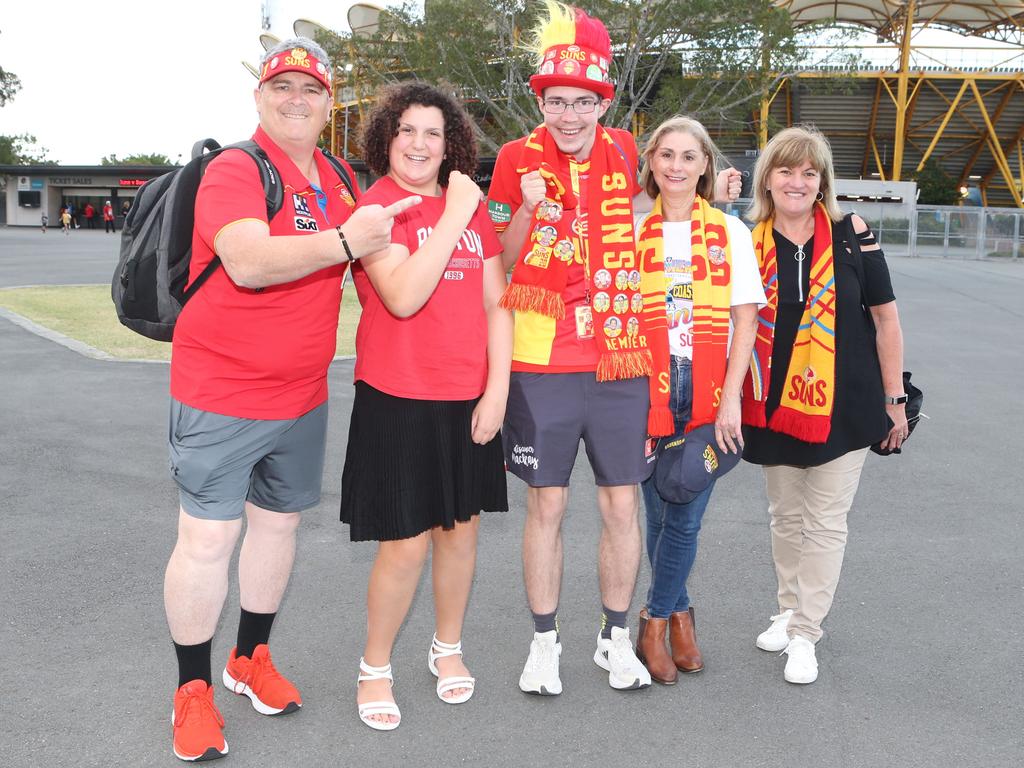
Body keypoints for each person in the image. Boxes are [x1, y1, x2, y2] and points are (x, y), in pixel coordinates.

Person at [162, 37, 418, 762]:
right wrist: (344, 239)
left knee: (277, 531)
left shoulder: (337, 175)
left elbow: (386, 269)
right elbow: (246, 261)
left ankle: (248, 660)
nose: (296, 99)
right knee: (208, 541)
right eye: (283, 87)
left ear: (330, 102)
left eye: (311, 89)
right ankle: (192, 689)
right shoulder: (236, 169)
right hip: (220, 390)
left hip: (301, 396)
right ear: (260, 98)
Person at [489, 1, 740, 696]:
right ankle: (544, 644)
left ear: (602, 103)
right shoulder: (515, 159)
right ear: (541, 100)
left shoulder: (627, 149)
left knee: (622, 506)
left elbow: (665, 202)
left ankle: (613, 636)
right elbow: (502, 261)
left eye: (583, 103)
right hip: (541, 360)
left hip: (620, 356)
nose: (568, 116)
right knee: (546, 508)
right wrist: (535, 210)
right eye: (557, 102)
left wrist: (720, 198)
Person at [341, 82, 512, 731]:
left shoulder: (468, 208)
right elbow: (405, 295)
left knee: (461, 536)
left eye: (432, 133)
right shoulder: (377, 208)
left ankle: (448, 649)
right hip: (399, 398)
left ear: (451, 145)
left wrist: (498, 390)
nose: (418, 143)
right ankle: (375, 667)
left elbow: (497, 303)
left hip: (468, 398)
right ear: (388, 136)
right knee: (406, 545)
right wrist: (452, 213)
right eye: (407, 130)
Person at [741, 125, 907, 685]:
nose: (797, 181)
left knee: (826, 522)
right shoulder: (745, 238)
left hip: (845, 404)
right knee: (785, 517)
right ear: (768, 178)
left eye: (809, 172)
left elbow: (885, 318)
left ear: (822, 182)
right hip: (769, 403)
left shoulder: (850, 232)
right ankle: (788, 609)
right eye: (786, 170)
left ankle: (807, 632)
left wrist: (895, 399)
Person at [632, 117, 765, 684]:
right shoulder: (632, 231)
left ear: (706, 165)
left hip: (709, 397)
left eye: (689, 157)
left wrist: (732, 398)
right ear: (652, 163)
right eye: (667, 155)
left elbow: (745, 319)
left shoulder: (729, 232)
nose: (677, 167)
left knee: (684, 518)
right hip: (644, 395)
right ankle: (681, 614)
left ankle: (654, 622)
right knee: (657, 516)